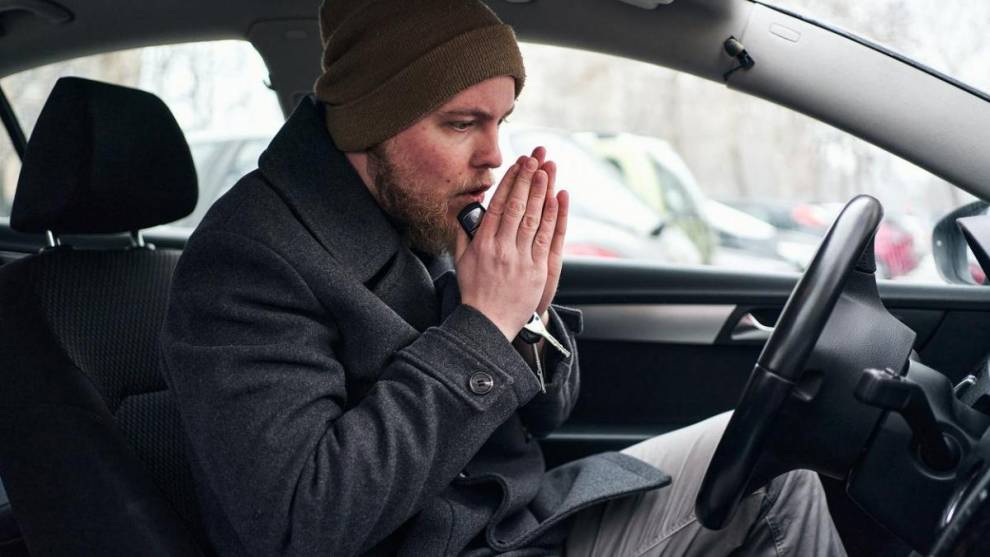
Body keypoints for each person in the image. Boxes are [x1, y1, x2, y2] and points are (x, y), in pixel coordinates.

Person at [160, 1, 846, 555]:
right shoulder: (250, 259)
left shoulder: (422, 207)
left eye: (501, 121)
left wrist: (530, 311)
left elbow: (546, 414)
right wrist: (484, 326)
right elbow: (300, 522)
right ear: (372, 122)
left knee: (773, 463)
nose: (493, 155)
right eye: (462, 123)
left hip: (517, 522)